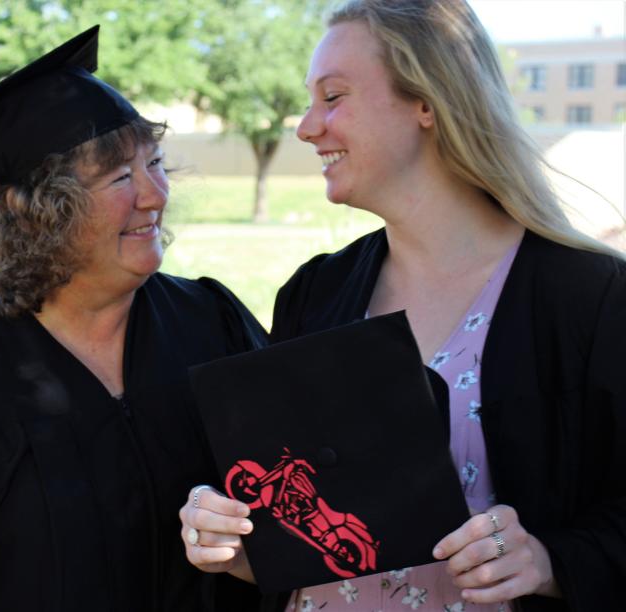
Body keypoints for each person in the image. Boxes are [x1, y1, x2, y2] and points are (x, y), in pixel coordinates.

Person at [179, 1, 625, 610]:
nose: (307, 127)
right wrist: (233, 542)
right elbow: (299, 536)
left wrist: (548, 562)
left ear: (426, 103)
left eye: (332, 98)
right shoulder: (316, 294)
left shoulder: (589, 298)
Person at [0, 26, 266, 612]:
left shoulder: (211, 323)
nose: (155, 194)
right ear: (38, 210)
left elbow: (306, 500)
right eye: (121, 176)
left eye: (155, 163)